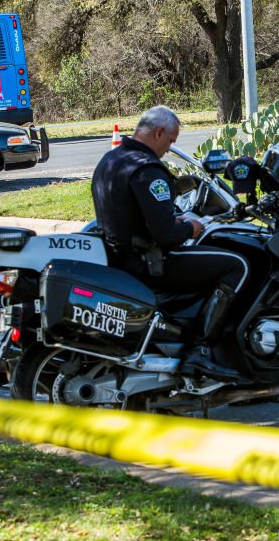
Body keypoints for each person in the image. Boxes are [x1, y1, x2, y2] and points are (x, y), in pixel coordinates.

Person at [92, 105, 248, 381]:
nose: (168, 149)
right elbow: (165, 234)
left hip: (120, 257)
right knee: (237, 265)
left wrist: (173, 222)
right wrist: (190, 227)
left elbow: (136, 215)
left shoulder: (110, 160)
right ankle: (199, 348)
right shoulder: (147, 170)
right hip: (149, 264)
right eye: (170, 141)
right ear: (158, 132)